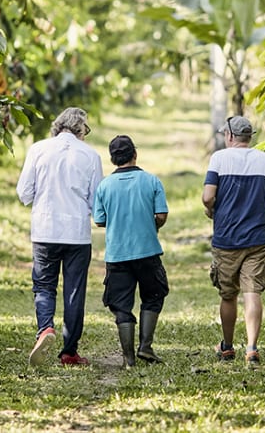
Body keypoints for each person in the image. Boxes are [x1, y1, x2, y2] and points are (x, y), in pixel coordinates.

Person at [16, 107, 103, 367]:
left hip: (45, 230)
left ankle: (45, 328)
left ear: (58, 126)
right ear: (80, 130)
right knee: (74, 291)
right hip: (77, 234)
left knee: (44, 285)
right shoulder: (91, 155)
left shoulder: (38, 149)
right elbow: (96, 200)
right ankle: (69, 352)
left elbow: (24, 193)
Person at [202, 115, 265, 366]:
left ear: (230, 136)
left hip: (226, 240)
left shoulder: (219, 158)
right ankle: (251, 349)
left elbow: (207, 197)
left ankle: (227, 347)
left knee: (228, 294)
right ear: (249, 137)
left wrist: (211, 210)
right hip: (257, 239)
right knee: (252, 291)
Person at [93, 135, 169, 368]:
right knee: (154, 295)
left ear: (113, 159)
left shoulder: (104, 185)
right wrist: (151, 225)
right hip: (148, 251)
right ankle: (145, 346)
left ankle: (128, 358)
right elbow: (161, 215)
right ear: (135, 154)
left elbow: (99, 220)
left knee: (120, 305)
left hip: (117, 255)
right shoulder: (151, 181)